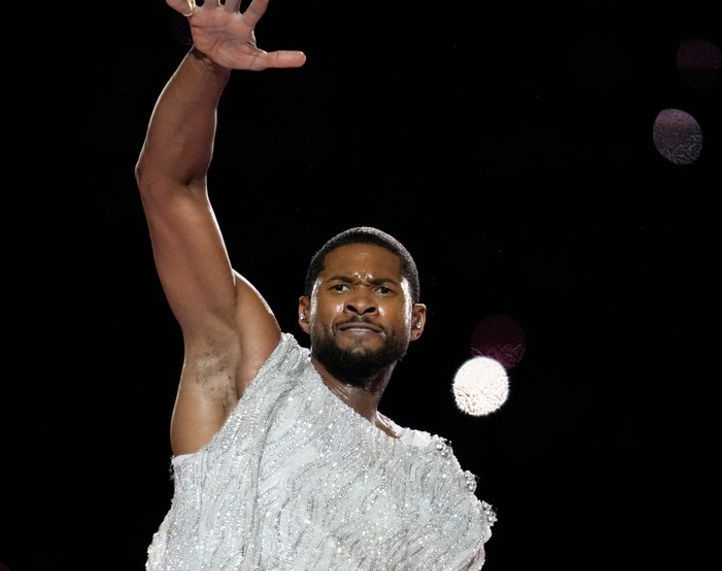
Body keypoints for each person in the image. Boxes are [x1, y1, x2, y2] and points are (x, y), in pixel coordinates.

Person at [135, 1, 496, 568]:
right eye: (340, 287)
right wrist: (207, 64)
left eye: (382, 290)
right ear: (304, 311)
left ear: (417, 320)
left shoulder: (435, 487)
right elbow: (169, 185)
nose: (359, 299)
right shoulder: (249, 375)